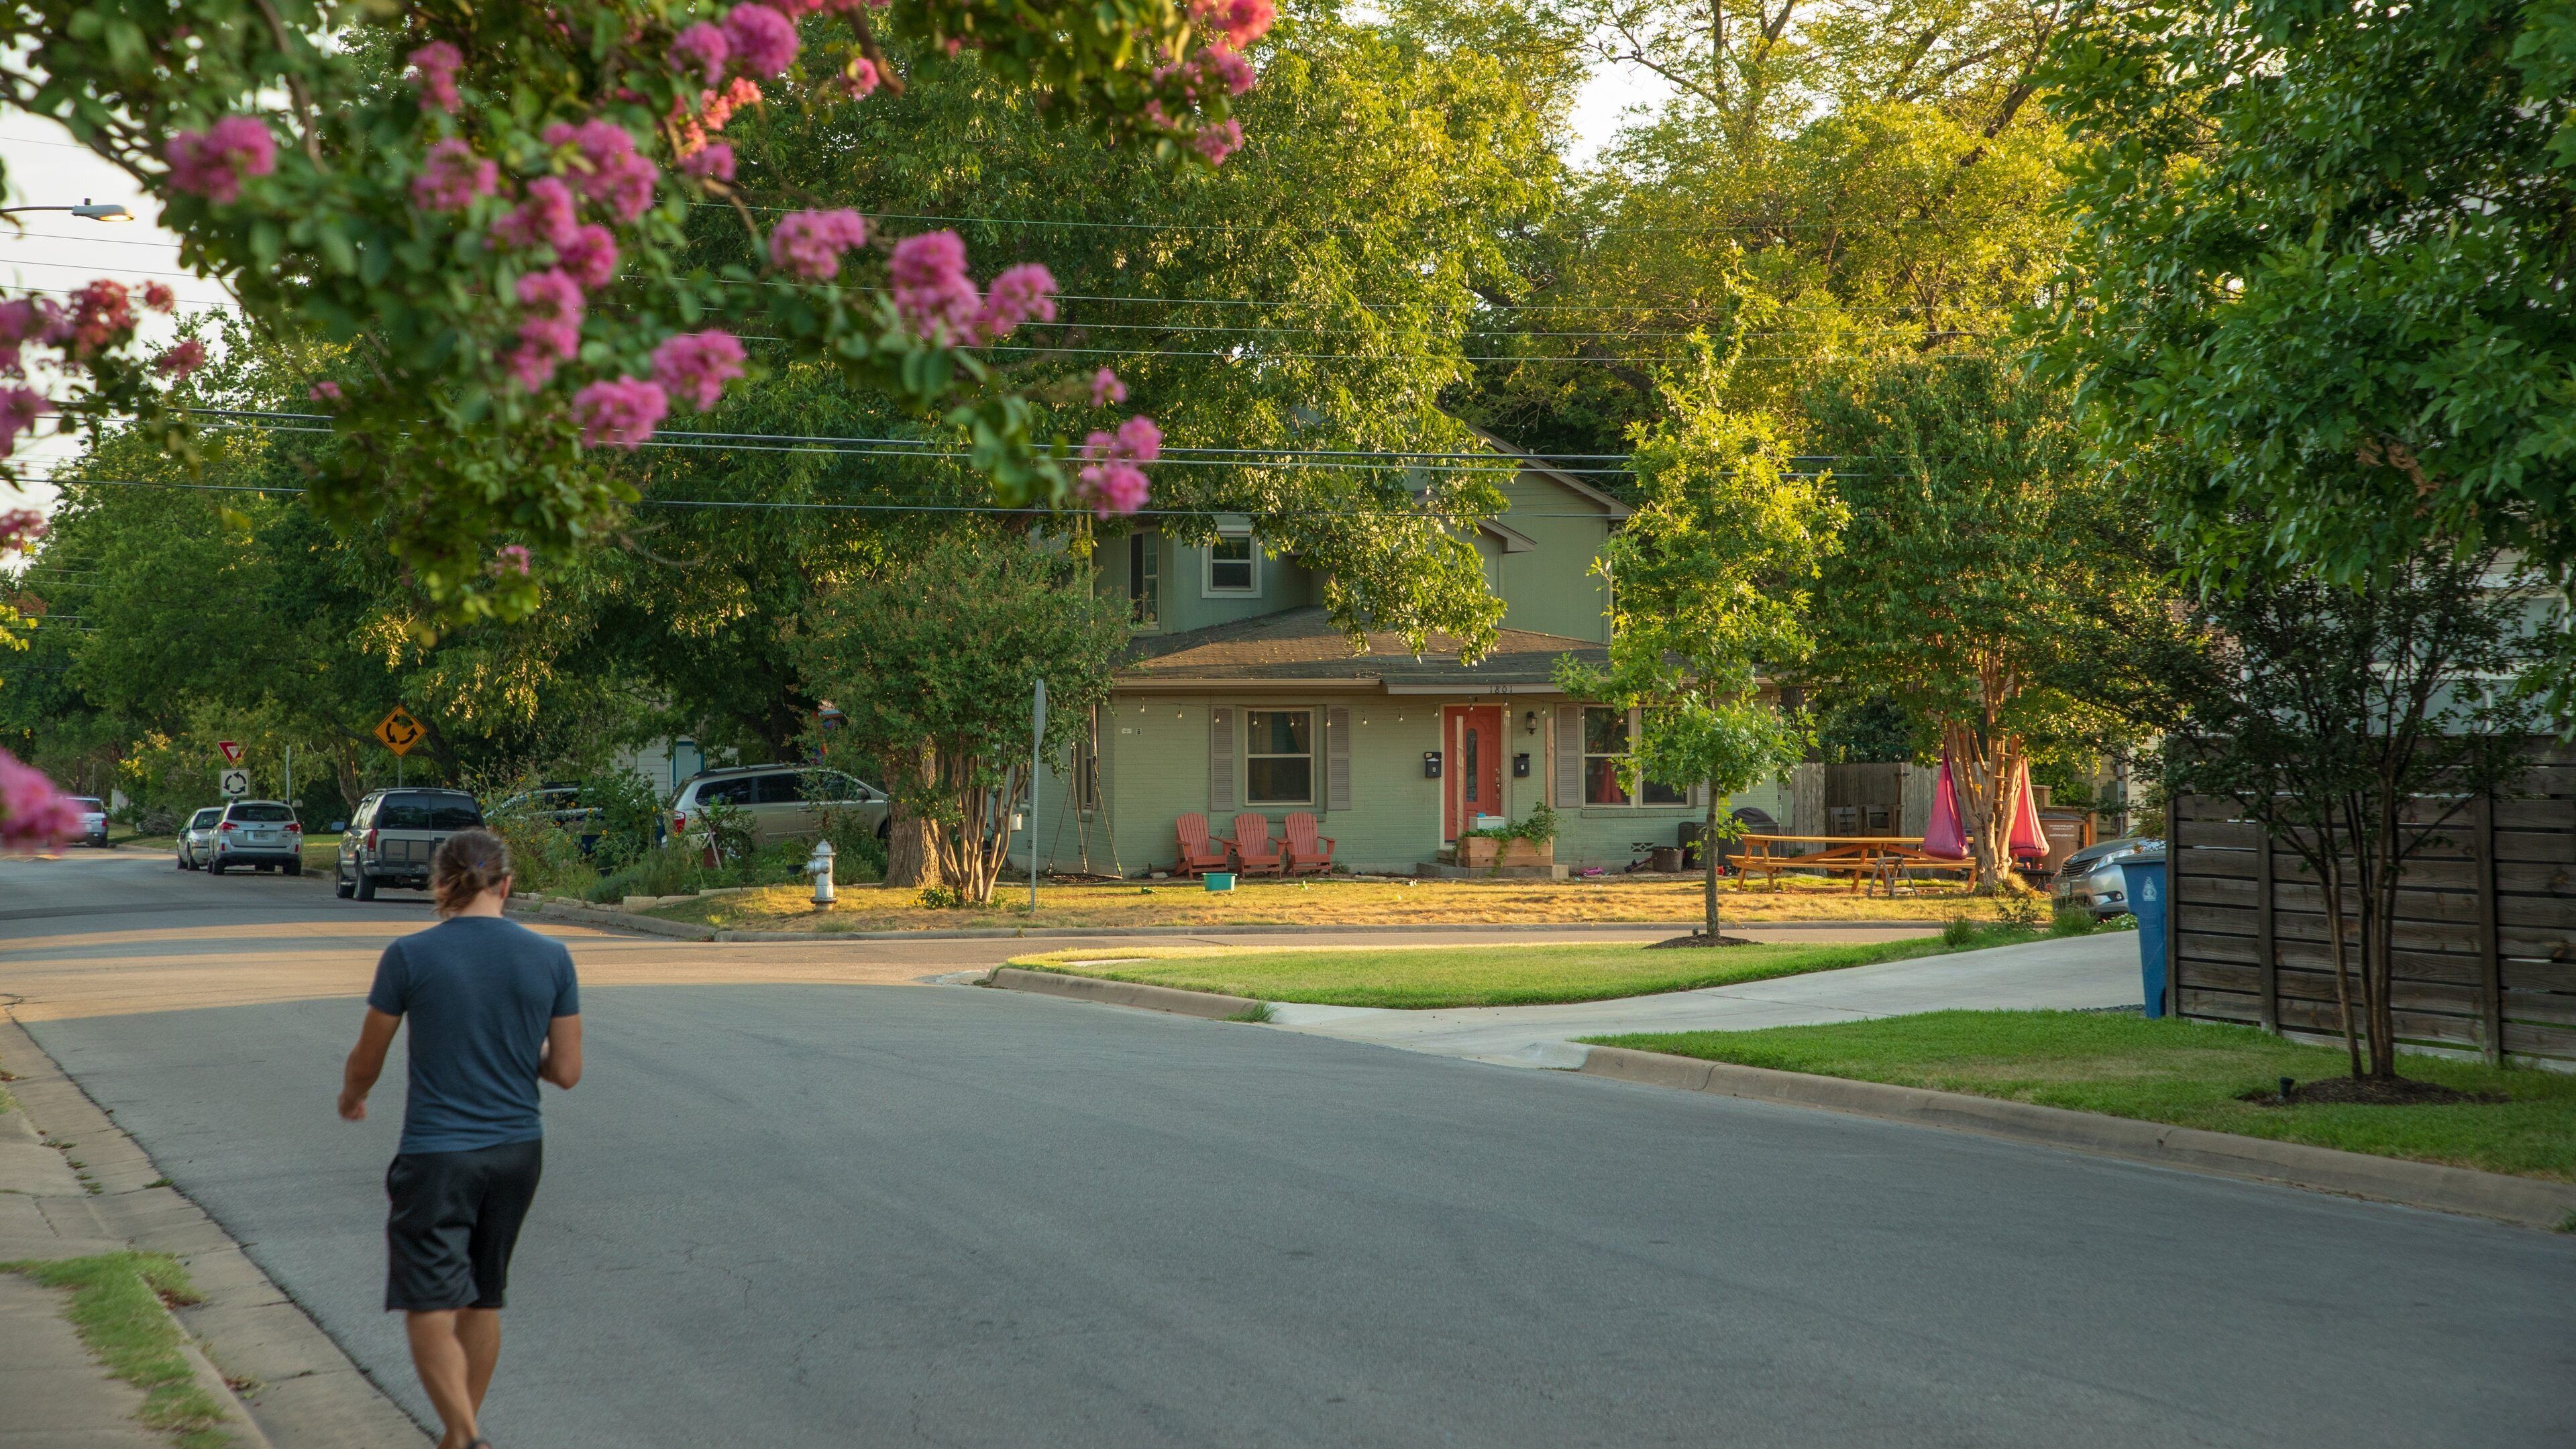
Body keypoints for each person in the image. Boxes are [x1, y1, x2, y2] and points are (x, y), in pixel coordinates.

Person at [339, 828, 581, 1449]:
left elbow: (371, 1054)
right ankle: (458, 1436)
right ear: (507, 884)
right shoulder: (551, 956)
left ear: (441, 886)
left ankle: (466, 1437)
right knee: (483, 1298)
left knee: (429, 1303)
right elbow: (567, 1072)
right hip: (518, 1153)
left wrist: (353, 1096)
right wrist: (522, 1049)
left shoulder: (410, 956)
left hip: (438, 1153)